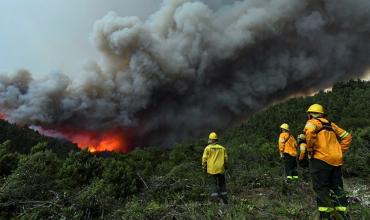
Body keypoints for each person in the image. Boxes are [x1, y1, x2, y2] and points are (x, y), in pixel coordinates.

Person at [304, 104, 352, 219]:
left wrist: (310, 149)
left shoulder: (312, 123)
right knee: (337, 188)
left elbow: (309, 133)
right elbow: (348, 136)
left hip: (321, 160)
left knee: (321, 189)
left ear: (311, 114)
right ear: (322, 114)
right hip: (336, 160)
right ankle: (343, 215)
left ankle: (326, 216)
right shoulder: (331, 124)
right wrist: (340, 150)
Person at [202, 132, 228, 204]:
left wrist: (204, 168)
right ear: (216, 139)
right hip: (221, 169)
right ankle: (225, 200)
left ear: (211, 140)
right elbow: (226, 159)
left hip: (211, 170)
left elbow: (204, 159)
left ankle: (215, 201)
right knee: (222, 185)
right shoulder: (222, 148)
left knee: (213, 185)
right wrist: (225, 166)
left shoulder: (207, 148)